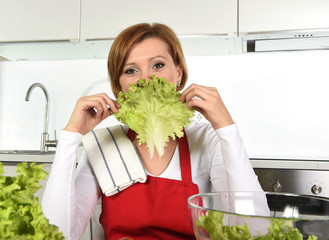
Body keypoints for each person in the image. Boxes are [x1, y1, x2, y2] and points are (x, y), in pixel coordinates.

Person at [41, 23, 264, 240]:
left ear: (178, 74)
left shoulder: (207, 139)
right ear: (119, 88)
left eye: (157, 65)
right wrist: (71, 136)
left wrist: (226, 129)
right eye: (131, 70)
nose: (146, 79)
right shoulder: (103, 145)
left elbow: (255, 232)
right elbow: (57, 235)